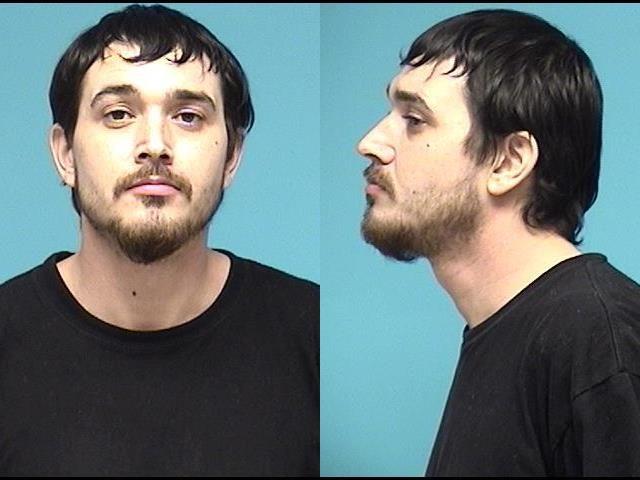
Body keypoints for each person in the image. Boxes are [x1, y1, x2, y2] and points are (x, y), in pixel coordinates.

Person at [0, 4, 318, 476]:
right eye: (118, 114)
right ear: (65, 153)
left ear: (232, 156)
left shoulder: (311, 332)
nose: (155, 144)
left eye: (188, 116)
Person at [356, 8, 640, 476]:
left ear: (509, 162)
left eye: (415, 119)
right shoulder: (508, 333)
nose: (370, 142)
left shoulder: (600, 341)